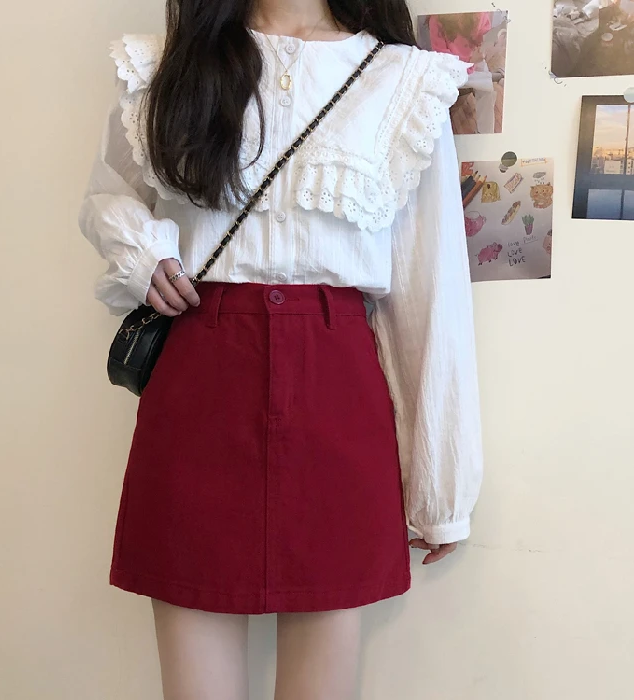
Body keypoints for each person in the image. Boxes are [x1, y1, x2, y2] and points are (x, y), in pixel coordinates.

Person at [78, 0, 484, 698]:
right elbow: (107, 197)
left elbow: (431, 290)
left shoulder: (402, 79)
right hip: (200, 386)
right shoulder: (173, 65)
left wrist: (440, 486)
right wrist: (142, 255)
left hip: (337, 395)